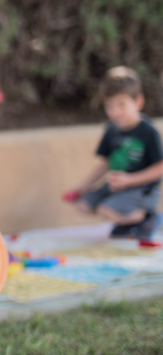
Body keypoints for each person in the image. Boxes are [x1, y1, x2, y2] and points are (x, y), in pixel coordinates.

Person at [66, 66, 163, 238]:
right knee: (84, 205)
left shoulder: (147, 131)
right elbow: (106, 164)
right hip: (117, 186)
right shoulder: (112, 130)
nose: (115, 112)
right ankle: (128, 222)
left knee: (106, 210)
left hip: (142, 189)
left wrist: (129, 180)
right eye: (110, 106)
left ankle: (148, 217)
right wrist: (83, 187)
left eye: (122, 105)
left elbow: (160, 167)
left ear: (138, 102)